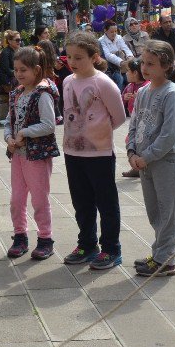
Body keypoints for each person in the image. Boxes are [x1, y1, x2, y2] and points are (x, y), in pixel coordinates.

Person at [61, 32, 126, 271]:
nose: (72, 61)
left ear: (95, 57)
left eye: (78, 57)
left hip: (99, 154)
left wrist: (96, 134)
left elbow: (118, 117)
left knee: (106, 202)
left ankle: (111, 248)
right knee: (82, 201)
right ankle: (87, 244)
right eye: (69, 56)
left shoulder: (103, 83)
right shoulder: (68, 81)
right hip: (72, 152)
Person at [126, 41, 175, 279]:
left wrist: (147, 156)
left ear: (167, 65)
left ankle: (165, 260)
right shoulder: (142, 91)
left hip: (166, 160)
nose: (145, 68)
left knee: (167, 210)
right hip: (143, 161)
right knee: (154, 211)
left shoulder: (171, 94)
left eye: (151, 64)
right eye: (143, 62)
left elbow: (169, 135)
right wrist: (131, 152)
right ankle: (159, 253)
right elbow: (134, 124)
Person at [4, 46, 59, 261]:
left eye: (23, 70)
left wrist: (25, 133)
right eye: (16, 70)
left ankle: (45, 238)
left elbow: (49, 124)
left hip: (36, 155)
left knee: (39, 199)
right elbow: (10, 120)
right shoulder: (17, 93)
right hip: (18, 155)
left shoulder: (42, 93)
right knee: (16, 199)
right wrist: (8, 137)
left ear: (36, 70)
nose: (18, 74)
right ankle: (20, 236)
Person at [120, 59, 149, 178]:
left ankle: (141, 166)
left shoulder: (147, 86)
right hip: (134, 121)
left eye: (128, 71)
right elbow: (120, 100)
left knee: (141, 143)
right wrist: (124, 98)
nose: (126, 73)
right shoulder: (129, 86)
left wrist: (141, 98)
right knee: (130, 141)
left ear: (135, 73)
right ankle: (135, 167)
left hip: (146, 121)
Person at [98, 20, 133, 89]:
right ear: (105, 31)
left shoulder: (119, 37)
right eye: (111, 32)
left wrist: (130, 57)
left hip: (122, 65)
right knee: (120, 79)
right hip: (110, 68)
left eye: (115, 31)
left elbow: (125, 48)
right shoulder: (101, 41)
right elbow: (108, 55)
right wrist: (121, 62)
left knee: (130, 79)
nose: (114, 34)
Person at [0, 30, 22, 94]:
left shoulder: (20, 51)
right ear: (10, 41)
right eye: (17, 40)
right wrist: (20, 74)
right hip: (7, 79)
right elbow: (7, 70)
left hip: (16, 76)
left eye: (20, 40)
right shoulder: (5, 52)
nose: (19, 42)